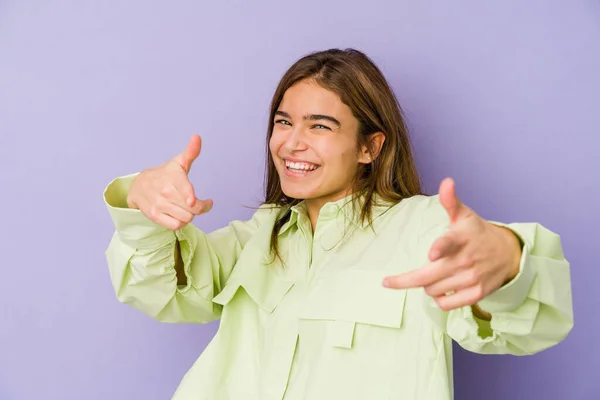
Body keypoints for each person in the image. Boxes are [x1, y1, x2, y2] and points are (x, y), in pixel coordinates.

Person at [103, 48, 573, 400]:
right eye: (284, 122)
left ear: (370, 147)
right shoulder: (256, 235)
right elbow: (163, 293)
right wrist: (140, 203)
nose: (291, 143)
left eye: (320, 126)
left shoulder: (425, 228)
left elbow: (525, 329)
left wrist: (509, 259)